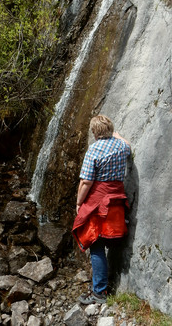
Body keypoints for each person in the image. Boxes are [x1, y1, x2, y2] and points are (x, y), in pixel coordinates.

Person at [72, 114, 131, 305]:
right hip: (117, 200)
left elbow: (87, 181)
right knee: (106, 240)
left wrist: (79, 202)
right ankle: (102, 286)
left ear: (94, 132)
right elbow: (128, 145)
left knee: (95, 243)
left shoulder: (94, 150)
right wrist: (118, 135)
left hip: (99, 203)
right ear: (111, 129)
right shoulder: (121, 146)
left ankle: (99, 292)